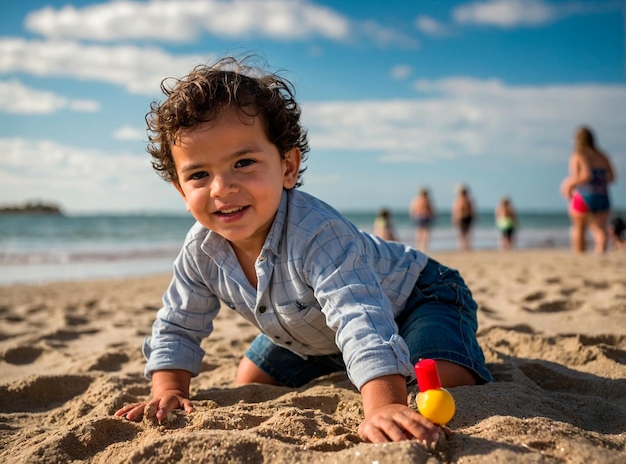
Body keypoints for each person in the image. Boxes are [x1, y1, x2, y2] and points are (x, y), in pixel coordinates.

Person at [114, 57, 492, 445]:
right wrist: (169, 389)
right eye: (199, 175)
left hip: (418, 295)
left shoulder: (317, 233)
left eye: (244, 163)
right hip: (313, 331)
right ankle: (354, 364)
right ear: (180, 189)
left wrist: (382, 407)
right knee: (251, 380)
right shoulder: (201, 250)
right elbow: (178, 323)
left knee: (437, 380)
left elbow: (359, 315)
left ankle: (390, 363)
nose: (221, 188)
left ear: (287, 167)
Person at [559, 126, 616, 254]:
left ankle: (580, 254)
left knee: (579, 227)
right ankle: (601, 253)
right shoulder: (602, 156)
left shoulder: (578, 155)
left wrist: (568, 184)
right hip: (602, 195)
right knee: (600, 228)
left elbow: (585, 175)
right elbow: (612, 177)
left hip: (585, 195)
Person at [409, 187, 435, 252]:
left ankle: (420, 246)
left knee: (420, 232)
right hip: (425, 216)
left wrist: (413, 215)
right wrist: (433, 215)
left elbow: (412, 209)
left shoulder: (416, 199)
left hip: (419, 216)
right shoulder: (427, 200)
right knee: (425, 232)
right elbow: (431, 209)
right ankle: (423, 247)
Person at [452, 185, 475, 251]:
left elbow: (471, 209)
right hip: (461, 218)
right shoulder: (459, 200)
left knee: (466, 233)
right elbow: (456, 210)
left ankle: (466, 246)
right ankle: (462, 246)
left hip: (466, 217)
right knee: (462, 233)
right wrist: (455, 218)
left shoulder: (467, 200)